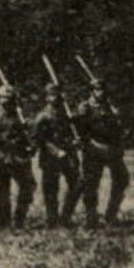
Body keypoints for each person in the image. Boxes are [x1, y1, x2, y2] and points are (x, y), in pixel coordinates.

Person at [76, 80, 129, 227]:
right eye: (98, 90)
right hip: (93, 150)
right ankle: (91, 218)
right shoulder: (84, 108)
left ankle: (111, 215)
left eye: (103, 90)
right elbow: (82, 132)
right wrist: (94, 145)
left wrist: (117, 117)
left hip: (111, 150)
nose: (101, 92)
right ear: (91, 91)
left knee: (122, 179)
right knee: (91, 184)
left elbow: (117, 129)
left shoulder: (109, 107)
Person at [0, 84, 35, 228]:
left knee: (28, 187)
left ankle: (19, 220)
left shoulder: (19, 114)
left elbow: (26, 135)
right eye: (2, 97)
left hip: (19, 157)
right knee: (1, 193)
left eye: (9, 97)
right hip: (0, 158)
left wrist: (30, 145)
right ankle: (3, 223)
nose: (5, 100)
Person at [32, 84, 81, 227]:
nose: (55, 98)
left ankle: (65, 217)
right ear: (47, 98)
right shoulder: (42, 116)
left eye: (57, 95)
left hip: (69, 154)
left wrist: (74, 141)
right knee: (51, 189)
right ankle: (52, 220)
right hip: (50, 157)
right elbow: (37, 138)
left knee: (77, 184)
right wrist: (55, 151)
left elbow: (72, 132)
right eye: (51, 95)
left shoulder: (66, 114)